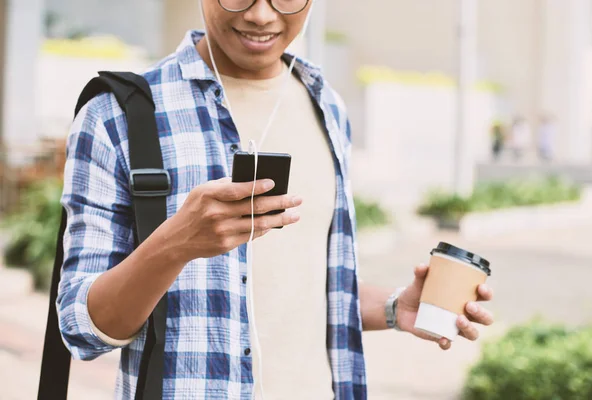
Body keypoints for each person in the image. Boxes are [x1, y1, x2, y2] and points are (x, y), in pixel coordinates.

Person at [57, 0, 495, 398]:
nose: (261, 15)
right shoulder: (119, 115)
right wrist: (176, 244)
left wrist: (397, 307)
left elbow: (299, 287)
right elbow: (82, 328)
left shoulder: (326, 105)